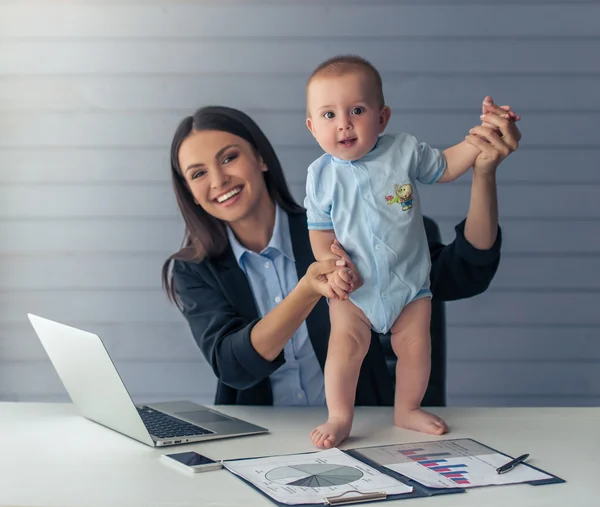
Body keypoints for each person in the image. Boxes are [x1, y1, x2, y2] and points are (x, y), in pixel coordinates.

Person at [161, 101, 520, 432]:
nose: (218, 180)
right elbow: (233, 366)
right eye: (198, 174)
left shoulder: (344, 227)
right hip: (259, 438)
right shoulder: (195, 270)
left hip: (363, 433)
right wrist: (306, 290)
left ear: (260, 158)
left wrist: (483, 173)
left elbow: (465, 273)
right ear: (190, 191)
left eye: (228, 158)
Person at [302, 55, 520, 448]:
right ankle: (340, 415)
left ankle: (407, 408)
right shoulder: (320, 175)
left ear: (382, 118)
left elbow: (449, 165)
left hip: (410, 282)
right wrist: (333, 267)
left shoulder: (402, 151)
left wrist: (481, 137)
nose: (344, 123)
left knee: (416, 348)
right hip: (355, 289)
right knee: (345, 350)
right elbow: (319, 232)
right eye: (329, 114)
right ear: (312, 126)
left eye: (357, 110)